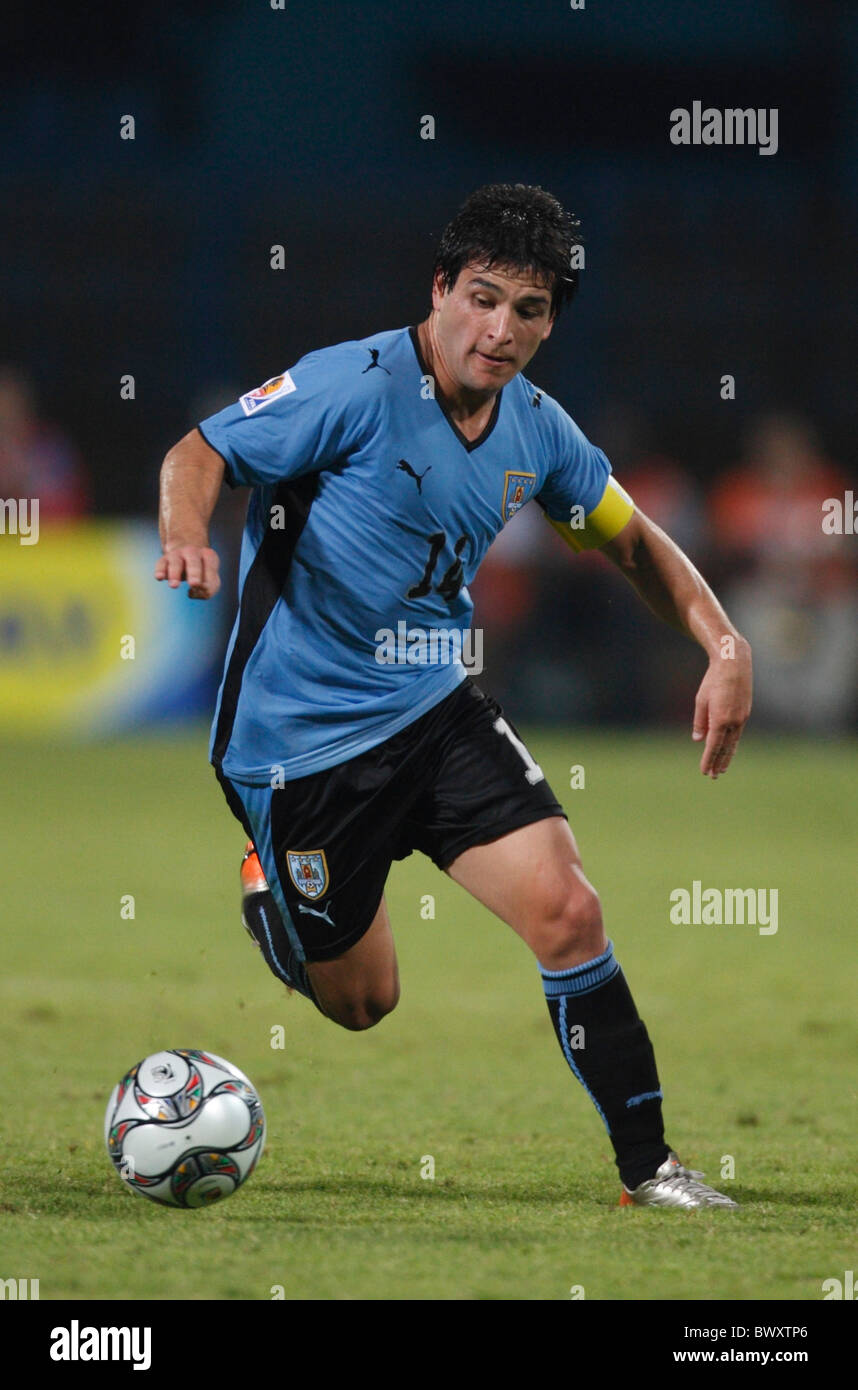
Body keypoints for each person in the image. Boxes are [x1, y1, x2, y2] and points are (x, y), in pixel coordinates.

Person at [155, 184, 752, 1209]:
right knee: (363, 1001)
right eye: (482, 298)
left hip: (436, 710)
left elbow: (632, 541)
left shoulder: (540, 431)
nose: (500, 330)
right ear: (439, 289)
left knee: (569, 907)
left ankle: (650, 1168)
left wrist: (723, 641)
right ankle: (271, 883)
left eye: (528, 310)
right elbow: (201, 450)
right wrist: (182, 533)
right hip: (299, 746)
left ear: (550, 319)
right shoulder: (350, 385)